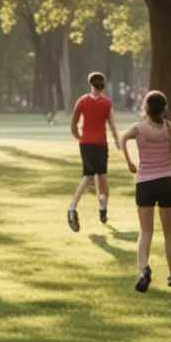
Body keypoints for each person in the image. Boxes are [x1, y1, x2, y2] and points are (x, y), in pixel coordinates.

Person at [120, 90, 171, 292]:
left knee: (145, 231)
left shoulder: (139, 128)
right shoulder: (170, 128)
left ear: (146, 107)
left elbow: (122, 139)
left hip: (144, 183)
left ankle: (144, 270)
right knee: (169, 233)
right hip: (167, 182)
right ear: (164, 108)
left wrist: (129, 163)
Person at [67, 71, 120, 231]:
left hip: (87, 144)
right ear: (103, 86)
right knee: (102, 179)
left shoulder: (82, 101)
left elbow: (74, 125)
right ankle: (101, 208)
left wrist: (80, 138)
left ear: (90, 85)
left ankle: (74, 207)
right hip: (101, 145)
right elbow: (112, 125)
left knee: (89, 178)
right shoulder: (107, 103)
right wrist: (118, 141)